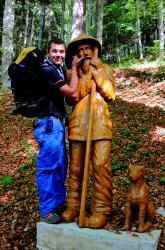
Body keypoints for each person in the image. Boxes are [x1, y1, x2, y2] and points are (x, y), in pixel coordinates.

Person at [62, 33, 115, 228]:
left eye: (88, 50)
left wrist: (98, 72)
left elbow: (110, 93)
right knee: (75, 168)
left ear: (95, 51)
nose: (84, 54)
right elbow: (72, 98)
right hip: (78, 124)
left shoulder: (106, 68)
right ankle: (74, 205)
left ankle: (101, 208)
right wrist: (86, 77)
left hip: (100, 122)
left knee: (101, 166)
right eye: (80, 50)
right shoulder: (71, 74)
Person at [33, 37, 83, 224]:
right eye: (55, 51)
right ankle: (46, 210)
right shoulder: (46, 70)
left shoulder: (58, 70)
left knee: (60, 166)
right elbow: (72, 93)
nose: (58, 55)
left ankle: (57, 205)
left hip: (57, 125)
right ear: (48, 52)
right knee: (48, 167)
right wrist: (76, 69)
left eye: (61, 52)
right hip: (48, 124)